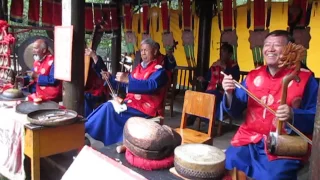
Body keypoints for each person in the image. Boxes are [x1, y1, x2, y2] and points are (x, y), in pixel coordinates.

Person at [221, 30, 318, 180]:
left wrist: (293, 114)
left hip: (284, 145)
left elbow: (316, 117)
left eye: (277, 45)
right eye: (267, 45)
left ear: (290, 50)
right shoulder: (253, 76)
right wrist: (229, 93)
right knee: (227, 165)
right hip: (249, 139)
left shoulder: (305, 79)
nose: (270, 49)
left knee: (271, 176)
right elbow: (235, 110)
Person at [85, 38, 169, 146]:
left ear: (155, 51)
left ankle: (83, 129)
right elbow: (123, 86)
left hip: (146, 109)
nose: (143, 53)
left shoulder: (159, 71)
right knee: (108, 106)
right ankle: (85, 128)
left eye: (146, 50)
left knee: (109, 108)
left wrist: (128, 80)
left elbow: (151, 86)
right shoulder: (138, 69)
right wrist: (109, 78)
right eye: (141, 50)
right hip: (132, 104)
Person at [188, 43, 240, 125]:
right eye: (221, 51)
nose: (221, 53)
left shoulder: (234, 66)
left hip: (224, 93)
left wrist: (225, 67)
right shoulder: (215, 64)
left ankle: (200, 119)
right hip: (211, 90)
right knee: (197, 96)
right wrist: (203, 79)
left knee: (210, 96)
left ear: (230, 54)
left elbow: (235, 79)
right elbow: (208, 78)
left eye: (224, 51)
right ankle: (194, 115)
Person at [83, 48, 109, 117]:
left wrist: (94, 56)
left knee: (84, 97)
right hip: (86, 89)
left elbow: (103, 73)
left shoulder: (95, 59)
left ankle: (87, 121)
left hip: (96, 91)